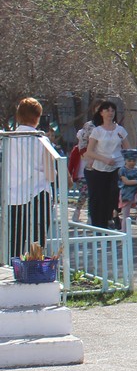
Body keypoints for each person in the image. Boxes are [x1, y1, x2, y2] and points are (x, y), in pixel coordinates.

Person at [5, 98, 58, 261]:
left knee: (15, 239)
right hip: (38, 192)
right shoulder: (41, 140)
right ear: (38, 116)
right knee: (37, 240)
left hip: (14, 194)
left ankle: (15, 269)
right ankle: (35, 271)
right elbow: (50, 174)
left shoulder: (8, 140)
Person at [81, 99, 128, 229]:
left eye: (112, 110)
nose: (110, 113)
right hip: (100, 167)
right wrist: (104, 159)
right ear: (101, 112)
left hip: (117, 167)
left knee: (114, 192)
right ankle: (98, 224)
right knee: (99, 197)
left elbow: (128, 149)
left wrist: (128, 163)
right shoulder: (97, 131)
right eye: (107, 110)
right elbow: (89, 152)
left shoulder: (120, 130)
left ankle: (112, 216)